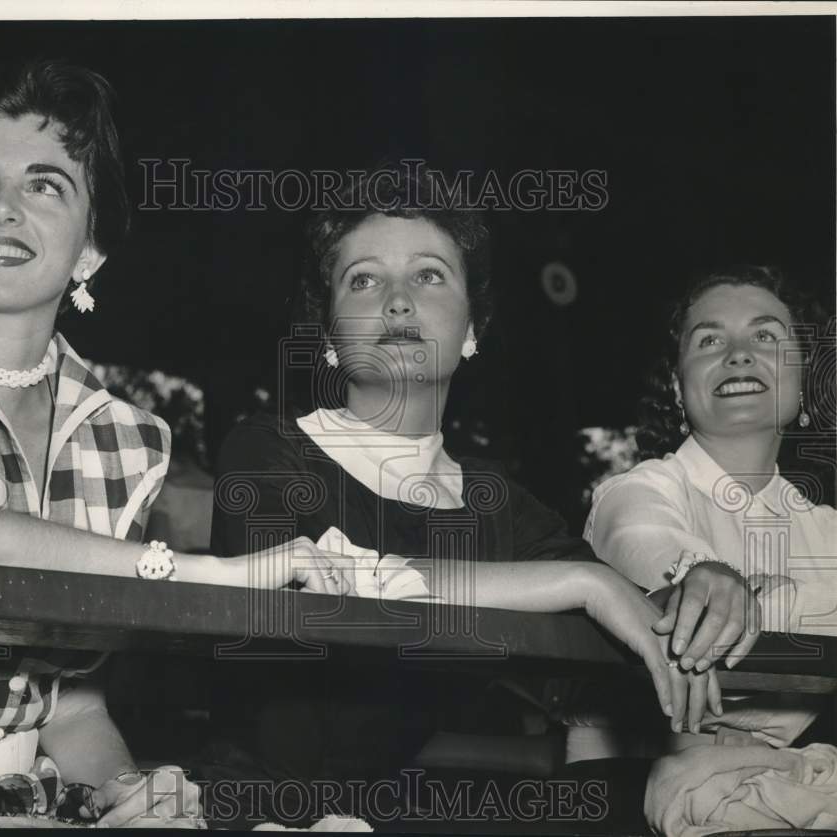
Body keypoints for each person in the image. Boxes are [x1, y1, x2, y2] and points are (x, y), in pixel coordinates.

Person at [0, 58, 348, 826]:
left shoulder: (131, 442)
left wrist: (132, 790)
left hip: (24, 800)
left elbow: (69, 710)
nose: (2, 207)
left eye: (44, 184)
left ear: (92, 249)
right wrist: (203, 574)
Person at [205, 165, 683, 827]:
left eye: (429, 275)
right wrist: (577, 580)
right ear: (330, 333)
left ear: (471, 326)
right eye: (364, 279)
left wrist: (700, 586)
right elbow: (314, 584)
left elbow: (624, 630)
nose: (398, 301)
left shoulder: (497, 504)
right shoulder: (264, 449)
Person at [574, 265, 837, 759]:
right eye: (709, 341)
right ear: (677, 388)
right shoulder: (634, 493)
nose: (739, 355)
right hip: (632, 803)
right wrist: (701, 577)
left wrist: (772, 600)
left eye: (765, 335)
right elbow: (644, 542)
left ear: (804, 381)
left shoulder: (831, 530)